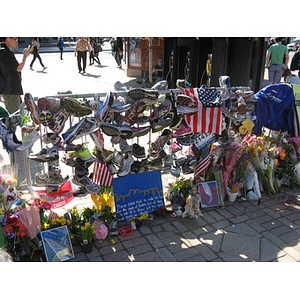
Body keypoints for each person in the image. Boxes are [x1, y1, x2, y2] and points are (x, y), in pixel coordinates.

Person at [0, 37, 31, 114]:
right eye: (15, 39)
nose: (17, 42)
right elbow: (18, 68)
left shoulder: (5, 51)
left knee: (20, 115)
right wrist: (25, 57)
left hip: (10, 89)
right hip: (10, 90)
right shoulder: (5, 52)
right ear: (8, 39)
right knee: (14, 118)